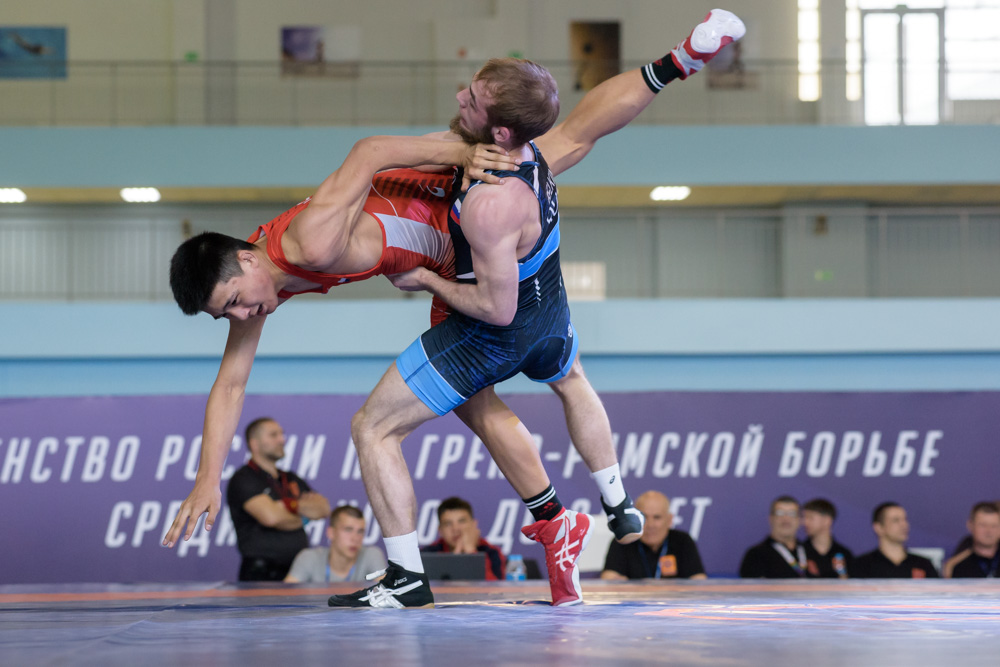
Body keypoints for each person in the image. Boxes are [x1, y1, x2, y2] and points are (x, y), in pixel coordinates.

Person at [163, 9, 747, 608]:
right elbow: (230, 384)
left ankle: (409, 576)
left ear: (247, 259)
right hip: (444, 230)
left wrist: (457, 151)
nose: (241, 316)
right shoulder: (261, 283)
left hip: (455, 228)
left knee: (375, 425)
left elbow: (368, 151)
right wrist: (207, 479)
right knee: (568, 146)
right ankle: (556, 521)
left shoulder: (307, 242)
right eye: (226, 315)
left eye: (234, 302)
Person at [226, 417, 331, 581]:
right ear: (254, 444)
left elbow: (323, 508)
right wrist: (303, 516)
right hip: (261, 574)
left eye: (282, 434)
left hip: (298, 570)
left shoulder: (290, 478)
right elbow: (271, 518)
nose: (282, 440)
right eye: (273, 435)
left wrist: (286, 505)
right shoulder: (244, 478)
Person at [600, 490, 706, 580]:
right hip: (634, 599)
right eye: (644, 517)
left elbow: (699, 580)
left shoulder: (683, 541)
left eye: (657, 517)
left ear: (669, 520)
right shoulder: (624, 540)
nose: (650, 525)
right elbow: (609, 579)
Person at [284, 504, 387, 583]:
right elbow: (285, 598)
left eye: (360, 531)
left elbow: (388, 593)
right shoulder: (309, 557)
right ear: (331, 533)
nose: (355, 538)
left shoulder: (371, 555)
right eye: (348, 529)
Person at [421, 497, 506, 580]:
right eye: (448, 523)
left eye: (461, 521)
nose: (455, 529)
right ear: (440, 530)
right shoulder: (426, 555)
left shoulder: (492, 553)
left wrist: (471, 552)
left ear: (474, 525)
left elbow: (494, 587)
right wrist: (456, 558)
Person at [852, 502, 939, 579]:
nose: (904, 525)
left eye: (905, 519)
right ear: (878, 528)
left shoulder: (923, 564)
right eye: (895, 520)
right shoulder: (862, 566)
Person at [739, 496, 814, 579]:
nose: (786, 519)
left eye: (792, 514)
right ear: (771, 518)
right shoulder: (756, 555)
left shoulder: (811, 551)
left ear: (799, 520)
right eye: (780, 513)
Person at [801, 498, 854, 579]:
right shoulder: (800, 551)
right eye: (804, 518)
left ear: (827, 520)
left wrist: (842, 574)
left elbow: (851, 583)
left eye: (810, 518)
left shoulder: (844, 554)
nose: (805, 522)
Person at [946, 501, 1000, 579]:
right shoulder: (957, 565)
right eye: (983, 525)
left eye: (994, 526)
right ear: (970, 525)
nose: (989, 531)